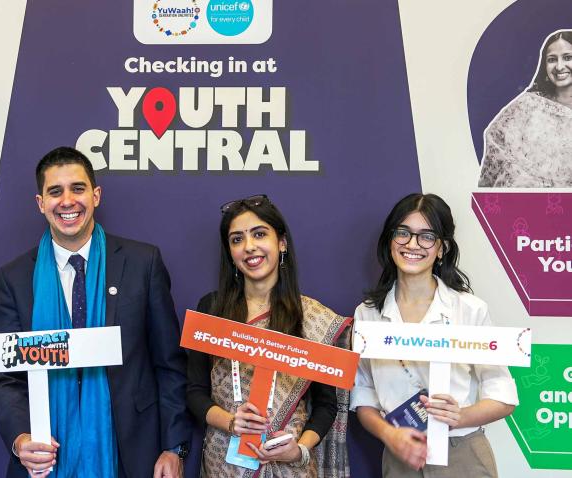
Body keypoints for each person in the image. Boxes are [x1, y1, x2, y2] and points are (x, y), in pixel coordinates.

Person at [0, 146, 191, 477]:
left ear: (95, 195)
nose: (67, 201)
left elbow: (169, 364)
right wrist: (19, 438)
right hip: (45, 456)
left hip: (131, 453)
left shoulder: (143, 263)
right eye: (55, 192)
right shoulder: (14, 278)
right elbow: (7, 376)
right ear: (41, 203)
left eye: (78, 188)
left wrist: (174, 447)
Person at [350, 193, 518, 477]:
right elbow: (363, 394)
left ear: (441, 249)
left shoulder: (469, 309)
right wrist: (390, 436)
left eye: (427, 236)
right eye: (403, 233)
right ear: (390, 240)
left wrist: (460, 416)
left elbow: (502, 394)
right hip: (400, 456)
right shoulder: (368, 314)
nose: (412, 244)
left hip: (463, 455)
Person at [187, 194, 350, 477]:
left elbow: (326, 405)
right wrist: (230, 422)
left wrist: (299, 449)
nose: (249, 247)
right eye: (237, 239)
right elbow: (195, 391)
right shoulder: (212, 309)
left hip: (289, 465)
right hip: (223, 464)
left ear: (281, 242)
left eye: (259, 234)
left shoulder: (312, 318)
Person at [478, 30, 572, 187]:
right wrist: (530, 181)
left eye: (568, 57)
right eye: (552, 59)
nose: (559, 66)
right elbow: (496, 138)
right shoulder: (528, 105)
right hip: (528, 204)